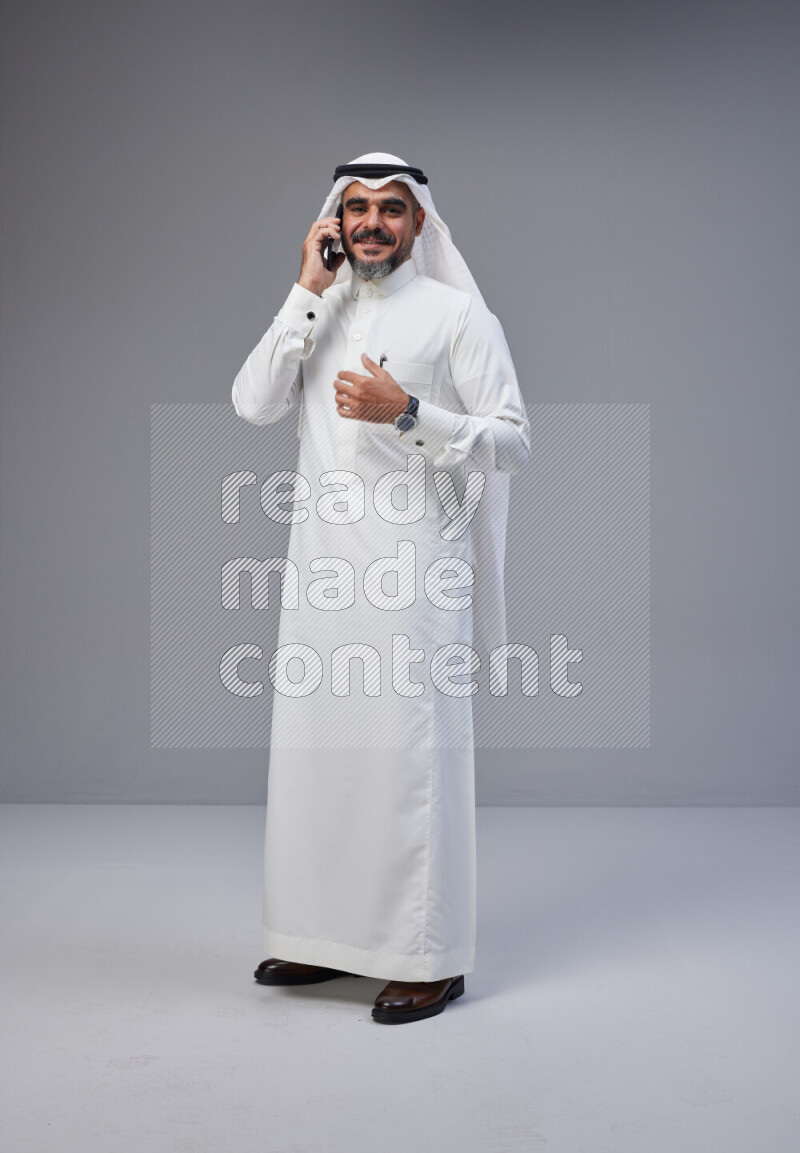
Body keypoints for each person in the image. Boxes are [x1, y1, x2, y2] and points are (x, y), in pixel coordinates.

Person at [231, 152, 530, 1024]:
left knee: (410, 768)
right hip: (321, 580)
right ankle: (324, 940)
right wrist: (301, 290)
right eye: (355, 207)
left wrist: (409, 412)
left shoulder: (457, 315)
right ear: (334, 219)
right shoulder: (315, 311)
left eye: (390, 209)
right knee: (317, 761)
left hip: (414, 579)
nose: (370, 223)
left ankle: (429, 958)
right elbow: (252, 402)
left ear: (419, 224)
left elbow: (514, 442)